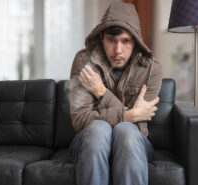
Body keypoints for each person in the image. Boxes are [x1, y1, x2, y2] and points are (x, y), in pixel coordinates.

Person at [69, 2, 162, 185]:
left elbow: (139, 128)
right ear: (102, 37)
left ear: (135, 40)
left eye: (126, 41)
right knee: (97, 130)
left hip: (133, 143)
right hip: (88, 143)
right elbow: (80, 121)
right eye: (111, 40)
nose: (118, 50)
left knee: (126, 131)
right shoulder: (83, 62)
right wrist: (129, 114)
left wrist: (101, 91)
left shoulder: (151, 68)